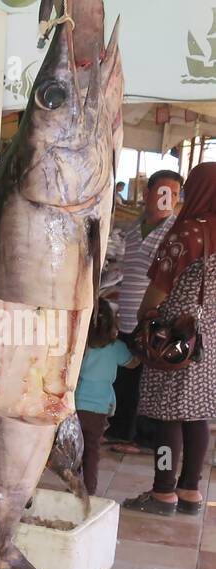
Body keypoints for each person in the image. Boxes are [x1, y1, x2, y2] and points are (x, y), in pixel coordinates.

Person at [123, 162, 216, 518]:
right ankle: (190, 490)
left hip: (176, 334)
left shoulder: (188, 232)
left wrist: (145, 317)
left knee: (168, 417)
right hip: (210, 338)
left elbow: (158, 289)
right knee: (198, 417)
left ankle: (164, 491)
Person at [105, 169, 182, 453]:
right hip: (127, 315)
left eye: (173, 194)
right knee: (127, 377)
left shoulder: (175, 232)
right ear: (148, 194)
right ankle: (122, 430)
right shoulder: (135, 229)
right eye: (162, 191)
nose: (167, 199)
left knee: (147, 380)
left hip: (153, 318)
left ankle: (143, 438)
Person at [75, 313, 138, 496]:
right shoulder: (116, 347)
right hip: (99, 408)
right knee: (92, 449)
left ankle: (73, 484)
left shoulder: (80, 344)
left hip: (75, 404)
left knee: (73, 447)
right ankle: (89, 488)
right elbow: (132, 363)